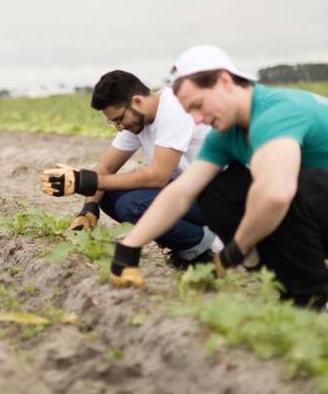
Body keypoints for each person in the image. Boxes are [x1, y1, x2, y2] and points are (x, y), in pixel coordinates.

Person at [110, 46, 328, 320]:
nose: (198, 119)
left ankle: (319, 298)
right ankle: (283, 284)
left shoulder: (277, 112)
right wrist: (130, 246)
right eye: (191, 112)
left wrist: (236, 250)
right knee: (216, 189)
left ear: (226, 81)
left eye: (199, 105)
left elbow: (277, 194)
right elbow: (181, 193)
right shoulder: (226, 134)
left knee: (279, 182)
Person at [40, 70, 221, 267]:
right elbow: (105, 168)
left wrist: (86, 180)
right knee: (105, 193)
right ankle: (189, 242)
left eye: (118, 119)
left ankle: (207, 247)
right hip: (187, 192)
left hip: (217, 196)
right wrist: (89, 208)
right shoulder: (138, 120)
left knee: (133, 206)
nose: (119, 127)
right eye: (113, 122)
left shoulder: (174, 110)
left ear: (137, 101)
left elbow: (158, 176)